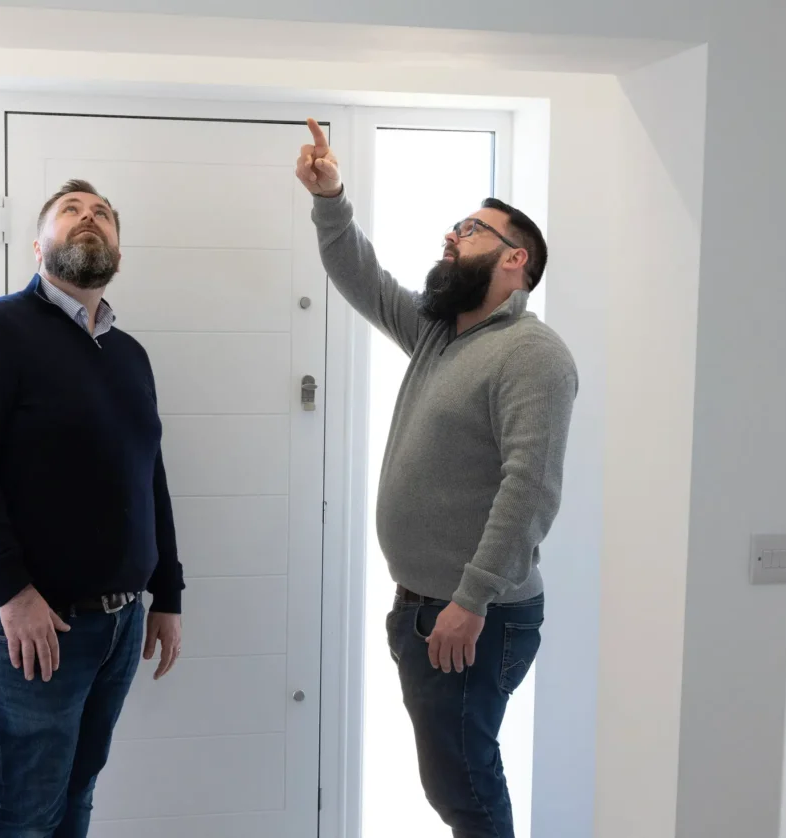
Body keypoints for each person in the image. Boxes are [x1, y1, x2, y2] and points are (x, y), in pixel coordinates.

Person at [296, 120, 577, 838]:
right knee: (456, 781)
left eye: (471, 229)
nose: (452, 236)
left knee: (465, 787)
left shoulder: (532, 353)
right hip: (426, 607)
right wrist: (331, 198)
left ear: (515, 259)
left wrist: (471, 599)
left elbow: (531, 488)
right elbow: (361, 276)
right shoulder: (436, 334)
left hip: (475, 614)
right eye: (455, 226)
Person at [0, 179, 184, 838]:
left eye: (102, 214)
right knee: (23, 815)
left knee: (76, 801)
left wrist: (167, 594)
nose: (88, 217)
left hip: (119, 627)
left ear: (118, 254)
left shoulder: (130, 356)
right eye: (70, 211)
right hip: (32, 625)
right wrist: (12, 593)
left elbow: (149, 476)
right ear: (38, 247)